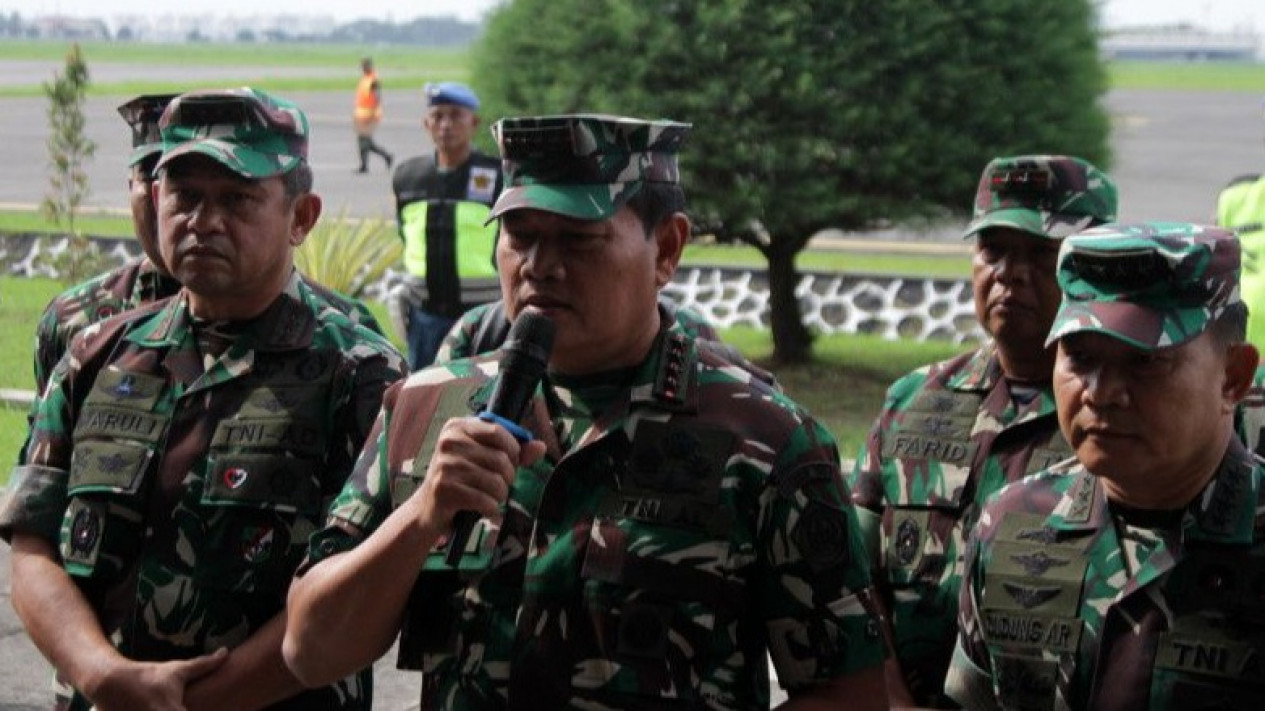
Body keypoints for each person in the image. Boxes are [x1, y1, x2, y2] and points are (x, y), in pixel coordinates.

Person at [284, 114, 889, 710]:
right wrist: (422, 516)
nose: (539, 265)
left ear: (668, 249)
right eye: (519, 234)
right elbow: (311, 651)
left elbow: (850, 690)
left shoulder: (763, 438)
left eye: (578, 237)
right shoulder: (425, 408)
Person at [0, 87, 406, 710]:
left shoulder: (360, 374)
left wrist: (189, 704)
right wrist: (103, 674)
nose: (203, 221)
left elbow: (359, 596)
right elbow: (33, 543)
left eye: (238, 199)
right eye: (185, 196)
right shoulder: (96, 352)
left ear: (301, 217)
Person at [946, 222, 1263, 710]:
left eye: (1144, 361)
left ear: (1233, 377)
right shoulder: (1011, 522)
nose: (1099, 392)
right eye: (1080, 356)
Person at [848, 155, 1118, 707]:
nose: (1009, 273)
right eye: (992, 251)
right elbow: (853, 573)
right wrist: (893, 697)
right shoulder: (913, 403)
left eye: (1042, 254)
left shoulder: (1115, 419)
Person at [32, 93, 182, 395]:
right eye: (151, 175)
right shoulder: (73, 322)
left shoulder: (276, 320)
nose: (164, 196)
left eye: (180, 181)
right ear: (132, 188)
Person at [390, 81, 503, 371]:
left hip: (484, 316)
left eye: (455, 115)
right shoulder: (407, 177)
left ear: (474, 122)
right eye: (438, 116)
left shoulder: (496, 176)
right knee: (424, 399)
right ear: (426, 123)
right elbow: (404, 234)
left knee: (483, 397)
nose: (445, 125)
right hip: (425, 317)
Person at [352, 57, 393, 174]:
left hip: (370, 115)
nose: (363, 69)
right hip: (362, 115)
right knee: (365, 141)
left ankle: (366, 165)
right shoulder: (365, 79)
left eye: (364, 66)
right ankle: (385, 157)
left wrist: (372, 114)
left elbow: (377, 98)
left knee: (364, 141)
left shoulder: (373, 80)